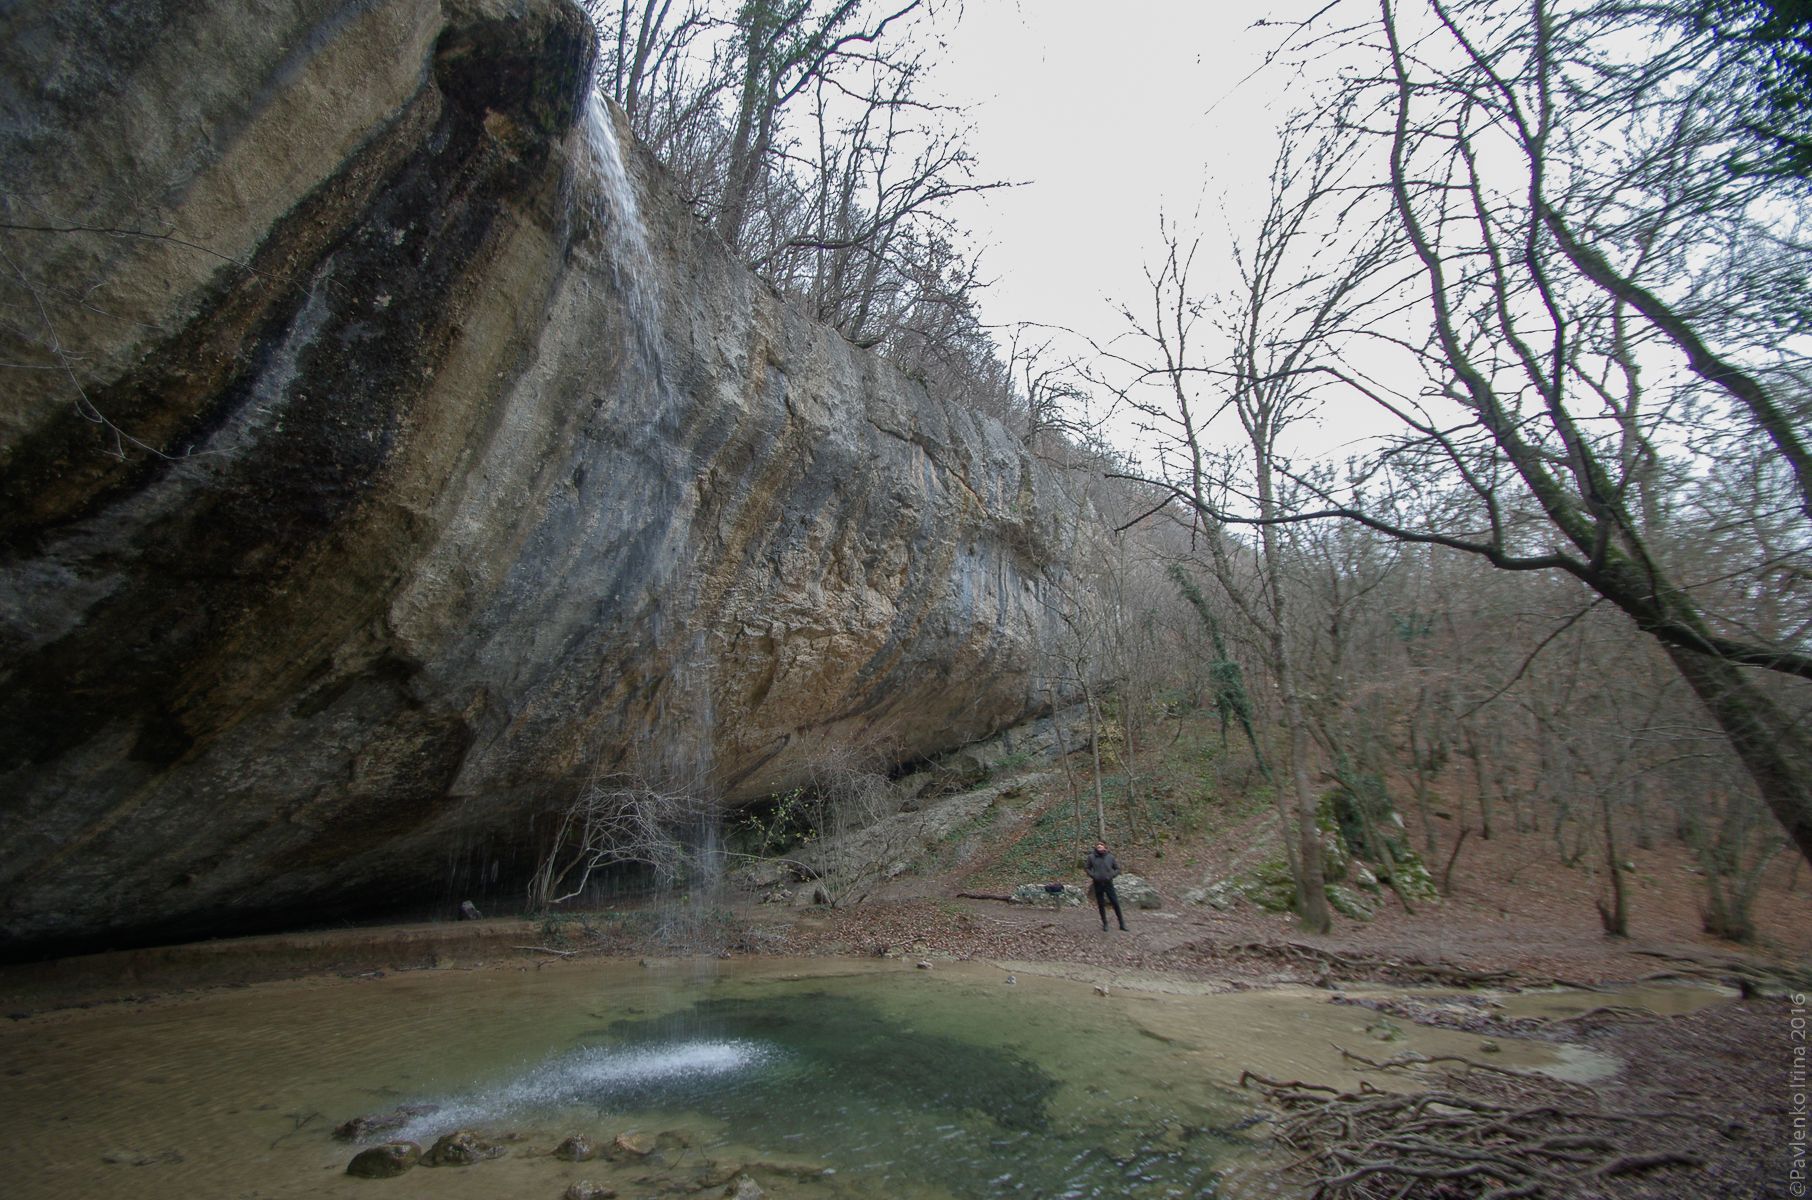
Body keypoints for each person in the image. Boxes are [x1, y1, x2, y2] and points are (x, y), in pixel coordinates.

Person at [1084, 841, 1127, 931]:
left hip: (1108, 883)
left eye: (1101, 846)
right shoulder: (1091, 857)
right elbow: (1087, 868)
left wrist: (1112, 875)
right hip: (1097, 883)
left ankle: (1122, 923)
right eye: (1098, 846)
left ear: (1105, 847)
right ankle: (1105, 923)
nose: (1099, 847)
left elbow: (1117, 868)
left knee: (1115, 903)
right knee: (1101, 904)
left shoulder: (1110, 857)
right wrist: (1093, 875)